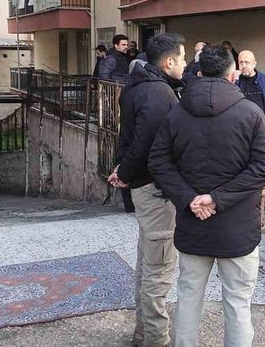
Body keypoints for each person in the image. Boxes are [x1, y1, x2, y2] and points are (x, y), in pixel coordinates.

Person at [149, 45, 265, 347]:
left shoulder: (176, 112)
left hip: (193, 223)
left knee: (188, 297)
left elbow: (158, 162)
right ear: (233, 75)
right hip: (238, 227)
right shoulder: (251, 113)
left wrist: (190, 199)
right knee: (238, 302)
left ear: (200, 72)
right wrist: (217, 199)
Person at [108, 33, 187, 347]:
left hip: (145, 187)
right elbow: (145, 142)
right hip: (155, 190)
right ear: (168, 62)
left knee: (147, 264)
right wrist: (125, 172)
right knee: (158, 270)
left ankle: (143, 333)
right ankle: (156, 339)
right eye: (182, 58)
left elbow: (128, 137)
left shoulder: (138, 85)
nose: (185, 64)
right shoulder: (158, 93)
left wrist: (123, 170)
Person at [236, 50, 265, 213]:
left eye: (247, 62)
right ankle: (247, 197)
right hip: (241, 130)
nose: (244, 65)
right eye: (241, 62)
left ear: (254, 63)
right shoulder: (235, 80)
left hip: (263, 128)